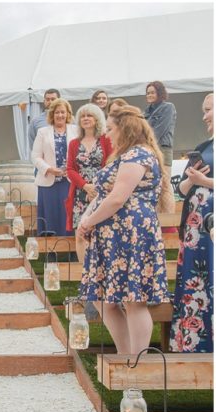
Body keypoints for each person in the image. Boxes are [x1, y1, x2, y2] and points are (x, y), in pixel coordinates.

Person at [79, 106, 170, 355]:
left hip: (131, 234)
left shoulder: (139, 155)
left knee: (134, 301)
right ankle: (125, 355)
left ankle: (136, 364)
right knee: (104, 300)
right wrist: (89, 218)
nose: (106, 134)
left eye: (110, 129)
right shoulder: (125, 155)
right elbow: (105, 195)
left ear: (125, 128)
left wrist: (89, 222)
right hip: (112, 236)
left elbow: (118, 198)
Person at [171, 93, 214, 353]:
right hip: (195, 227)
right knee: (196, 278)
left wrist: (205, 181)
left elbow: (203, 182)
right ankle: (194, 344)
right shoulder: (204, 146)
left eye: (209, 110)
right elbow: (184, 189)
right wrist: (192, 178)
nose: (205, 115)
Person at [66, 103, 113, 261]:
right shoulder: (74, 143)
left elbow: (111, 164)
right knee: (80, 234)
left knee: (100, 233)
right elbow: (70, 169)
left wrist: (98, 188)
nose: (85, 119)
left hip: (103, 192)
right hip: (80, 194)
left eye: (89, 115)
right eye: (83, 116)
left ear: (97, 119)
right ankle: (83, 276)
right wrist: (85, 186)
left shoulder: (106, 140)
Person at [32, 98, 79, 236]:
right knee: (50, 215)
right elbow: (35, 156)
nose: (60, 115)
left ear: (68, 114)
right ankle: (50, 251)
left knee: (69, 214)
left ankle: (71, 251)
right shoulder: (42, 132)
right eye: (57, 112)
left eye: (63, 112)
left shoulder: (76, 131)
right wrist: (50, 169)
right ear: (52, 114)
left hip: (69, 182)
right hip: (48, 183)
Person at [145, 81, 178, 214]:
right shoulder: (146, 111)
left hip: (162, 149)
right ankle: (158, 217)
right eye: (148, 93)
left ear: (160, 93)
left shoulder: (168, 107)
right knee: (153, 185)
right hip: (149, 149)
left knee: (165, 186)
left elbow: (159, 131)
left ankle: (169, 221)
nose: (150, 95)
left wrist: (145, 145)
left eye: (152, 92)